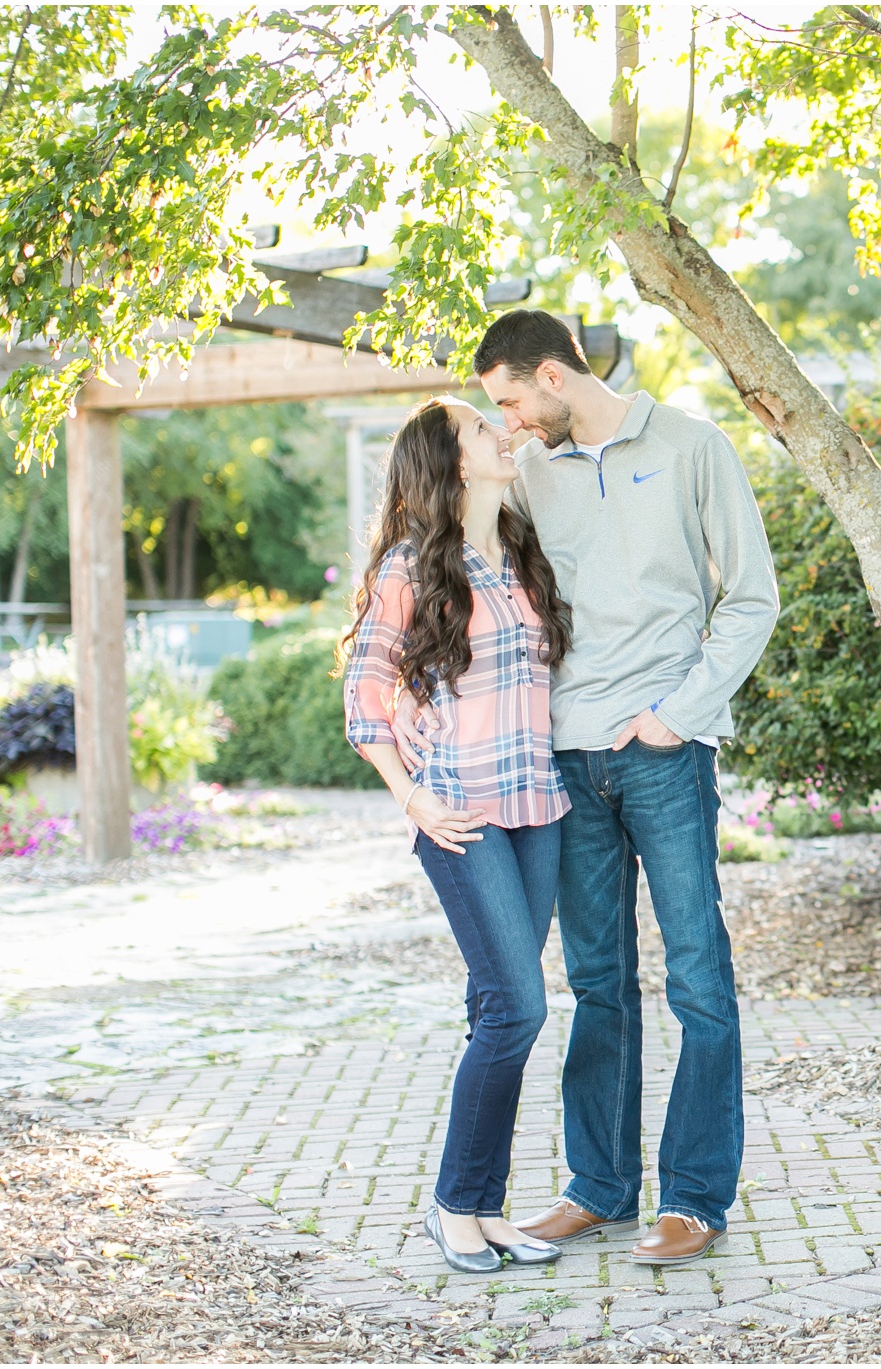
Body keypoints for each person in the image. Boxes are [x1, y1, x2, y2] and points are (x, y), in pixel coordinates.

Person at [395, 310, 779, 1266]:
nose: (511, 421)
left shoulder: (694, 447)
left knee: (697, 974)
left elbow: (752, 597)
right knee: (597, 984)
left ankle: (694, 1197)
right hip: (559, 766)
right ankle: (599, 1186)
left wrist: (677, 712)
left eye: (514, 399)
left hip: (663, 751)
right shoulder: (521, 475)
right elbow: (457, 572)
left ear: (557, 376)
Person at [339, 396, 576, 1273]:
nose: (501, 433)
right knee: (520, 1006)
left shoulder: (517, 553)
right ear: (453, 462)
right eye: (484, 428)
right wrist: (414, 800)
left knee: (496, 1008)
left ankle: (483, 1205)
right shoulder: (409, 567)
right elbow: (364, 703)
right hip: (461, 815)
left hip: (537, 811)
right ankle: (451, 1205)